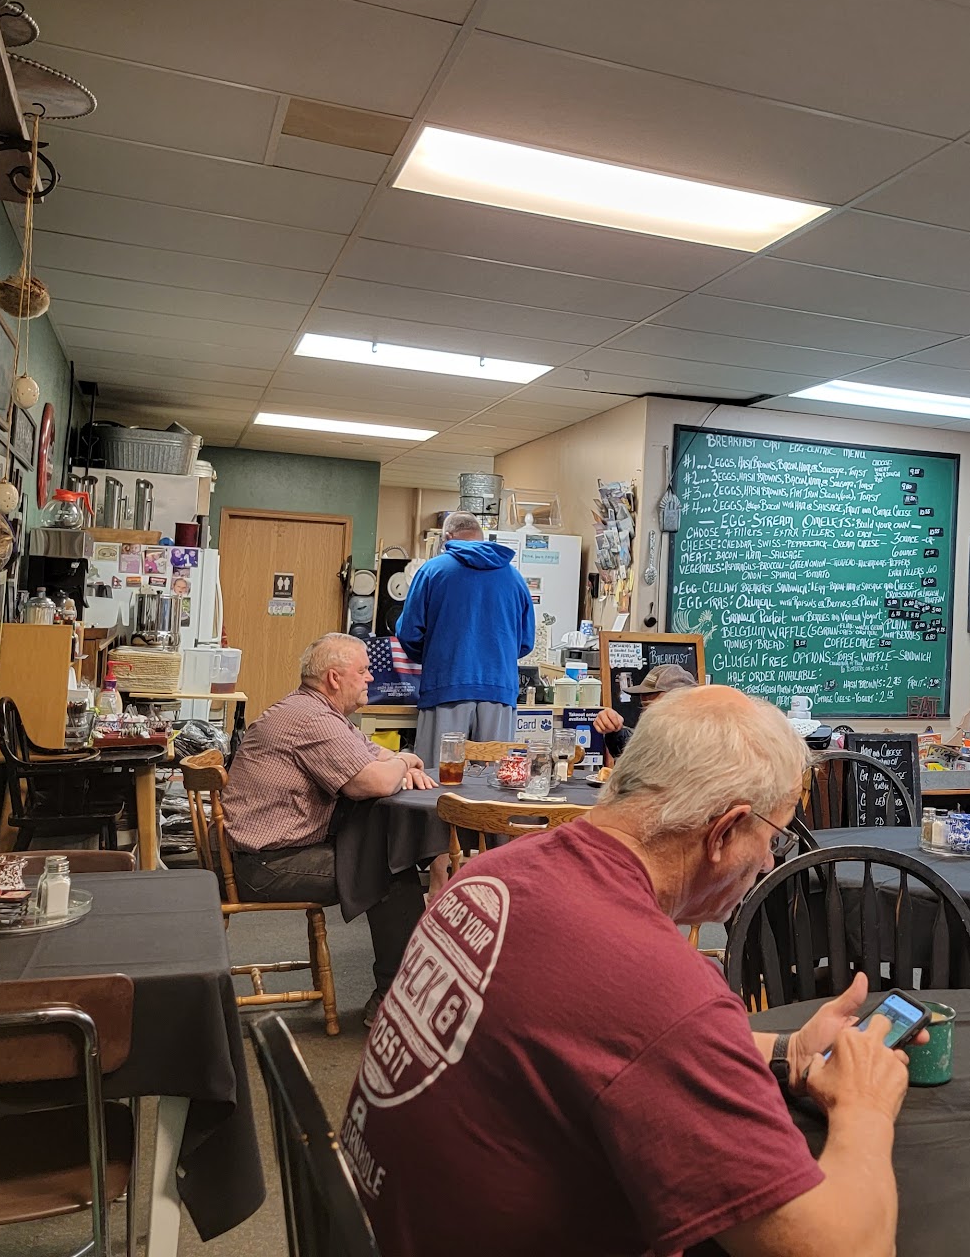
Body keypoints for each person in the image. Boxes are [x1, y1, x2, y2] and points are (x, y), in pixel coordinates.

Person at [342, 685, 911, 1257]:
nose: (767, 862)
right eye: (772, 839)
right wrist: (863, 1107)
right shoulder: (663, 987)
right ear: (724, 832)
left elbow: (598, 1043)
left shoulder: (491, 875)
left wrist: (789, 1050)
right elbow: (846, 1249)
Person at [225, 633, 435, 1012]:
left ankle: (400, 992)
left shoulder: (314, 711)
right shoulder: (313, 720)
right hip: (263, 867)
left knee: (380, 853)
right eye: (363, 670)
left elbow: (372, 754)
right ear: (334, 678)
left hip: (261, 853)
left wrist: (398, 762)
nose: (371, 677)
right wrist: (405, 761)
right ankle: (396, 1001)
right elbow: (372, 782)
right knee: (388, 871)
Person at [397, 512, 535, 768]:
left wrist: (433, 655)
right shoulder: (514, 578)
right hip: (499, 690)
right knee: (496, 780)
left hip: (446, 687)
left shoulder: (433, 571)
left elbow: (408, 633)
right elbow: (526, 641)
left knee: (438, 777)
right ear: (481, 536)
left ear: (447, 537)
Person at [588, 662, 697, 760]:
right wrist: (613, 729)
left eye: (655, 707)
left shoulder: (699, 747)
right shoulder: (656, 737)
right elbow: (635, 748)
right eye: (644, 706)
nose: (647, 714)